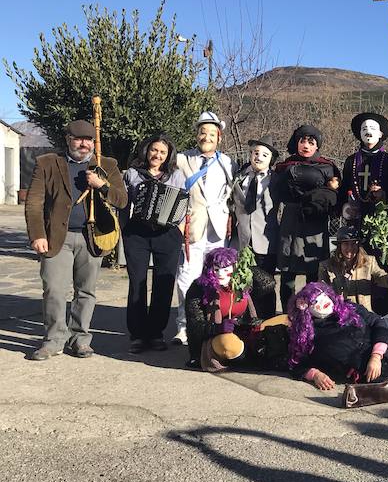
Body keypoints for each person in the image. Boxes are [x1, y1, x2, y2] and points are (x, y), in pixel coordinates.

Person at [24, 119, 128, 360]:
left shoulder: (107, 165)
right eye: (78, 139)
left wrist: (102, 185)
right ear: (68, 139)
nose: (84, 144)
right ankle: (53, 340)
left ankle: (80, 339)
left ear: (94, 142)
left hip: (92, 237)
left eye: (88, 139)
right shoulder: (48, 163)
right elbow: (34, 203)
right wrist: (38, 234)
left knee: (86, 291)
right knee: (54, 289)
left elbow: (121, 200)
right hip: (56, 237)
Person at [173, 111, 235, 345]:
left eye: (211, 133)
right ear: (196, 134)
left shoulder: (229, 162)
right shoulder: (182, 159)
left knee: (218, 277)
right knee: (187, 278)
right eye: (202, 132)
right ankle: (184, 325)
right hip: (192, 227)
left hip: (219, 228)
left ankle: (214, 322)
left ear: (219, 137)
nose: (206, 137)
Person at [122, 133, 187, 353]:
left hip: (167, 234)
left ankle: (156, 333)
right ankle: (137, 335)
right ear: (146, 150)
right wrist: (125, 228)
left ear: (168, 155)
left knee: (164, 284)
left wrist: (179, 227)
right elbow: (123, 204)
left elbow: (182, 203)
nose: (157, 155)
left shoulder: (176, 175)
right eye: (154, 150)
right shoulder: (132, 174)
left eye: (162, 152)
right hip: (137, 233)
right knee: (137, 283)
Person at [338, 112, 388, 314]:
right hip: (357, 225)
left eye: (372, 129)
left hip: (382, 228)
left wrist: (385, 195)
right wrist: (344, 207)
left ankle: (384, 318)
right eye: (364, 129)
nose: (368, 132)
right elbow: (344, 190)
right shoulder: (351, 161)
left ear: (381, 134)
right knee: (357, 268)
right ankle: (357, 314)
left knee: (383, 271)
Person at [273, 125, 341, 312]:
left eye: (311, 142)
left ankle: (314, 312)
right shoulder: (284, 166)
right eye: (302, 141)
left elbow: (336, 193)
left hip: (315, 220)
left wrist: (330, 190)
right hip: (291, 219)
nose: (306, 145)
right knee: (288, 270)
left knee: (314, 267)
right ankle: (289, 313)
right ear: (296, 143)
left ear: (317, 146)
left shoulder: (327, 167)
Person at [183, 246, 278, 370]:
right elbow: (194, 327)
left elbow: (269, 284)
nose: (220, 274)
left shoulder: (242, 282)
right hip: (215, 337)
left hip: (245, 330)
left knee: (281, 322)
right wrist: (217, 328)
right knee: (229, 344)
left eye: (225, 269)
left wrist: (245, 269)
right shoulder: (198, 288)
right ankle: (244, 358)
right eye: (216, 269)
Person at [230, 135, 280, 318]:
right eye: (256, 153)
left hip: (266, 240)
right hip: (242, 239)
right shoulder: (239, 177)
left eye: (264, 155)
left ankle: (266, 322)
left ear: (271, 160)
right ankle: (243, 320)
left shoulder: (276, 180)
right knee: (242, 282)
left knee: (265, 284)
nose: (258, 157)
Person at [318, 226, 388, 312]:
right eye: (346, 244)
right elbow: (321, 293)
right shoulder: (326, 266)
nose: (350, 248)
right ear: (339, 246)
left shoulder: (369, 262)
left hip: (364, 316)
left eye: (353, 244)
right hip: (339, 315)